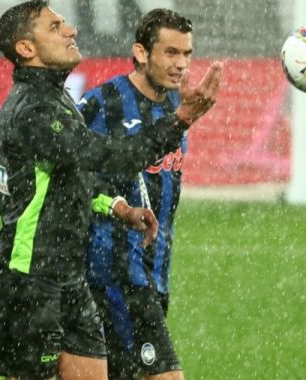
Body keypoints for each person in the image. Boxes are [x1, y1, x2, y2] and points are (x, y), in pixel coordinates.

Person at [0, 1, 221, 379]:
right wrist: (181, 120)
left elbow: (76, 177)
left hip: (70, 278)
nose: (71, 31)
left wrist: (117, 207)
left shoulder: (57, 100)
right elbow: (109, 156)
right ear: (26, 48)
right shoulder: (34, 109)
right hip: (32, 278)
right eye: (55, 26)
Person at [78, 9, 202, 379]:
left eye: (187, 54)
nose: (181, 64)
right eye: (171, 53)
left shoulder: (177, 107)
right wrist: (116, 206)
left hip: (155, 270)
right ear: (142, 52)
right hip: (114, 270)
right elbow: (71, 178)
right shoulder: (102, 103)